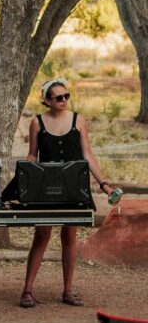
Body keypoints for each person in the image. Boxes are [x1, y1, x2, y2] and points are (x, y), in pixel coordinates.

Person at [19, 78, 113, 308]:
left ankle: (68, 290)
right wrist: (23, 179)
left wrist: (103, 183)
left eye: (66, 96)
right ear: (46, 101)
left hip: (73, 187)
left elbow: (87, 154)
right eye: (58, 97)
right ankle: (27, 290)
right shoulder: (37, 122)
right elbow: (32, 155)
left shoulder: (78, 120)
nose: (63, 100)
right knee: (41, 237)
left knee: (69, 237)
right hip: (45, 188)